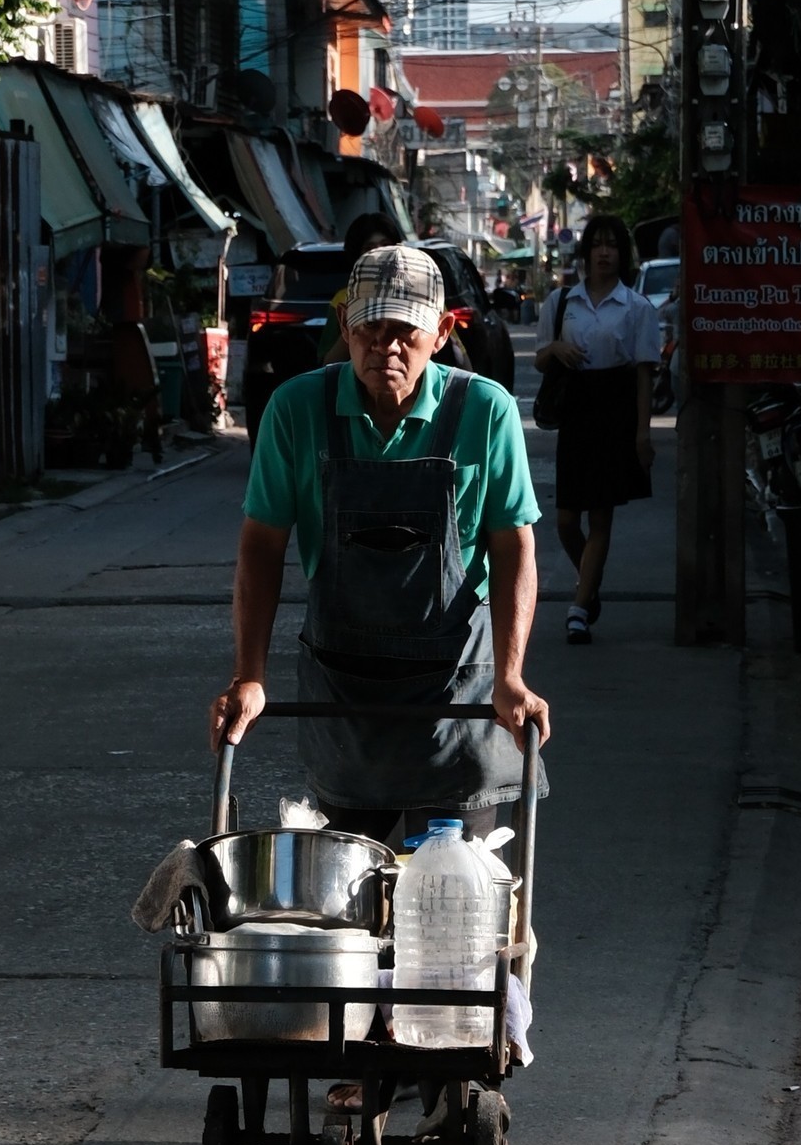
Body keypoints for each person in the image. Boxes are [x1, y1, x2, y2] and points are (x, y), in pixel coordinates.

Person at [210, 243, 550, 850]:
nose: (383, 347)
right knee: (349, 906)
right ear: (344, 326)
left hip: (457, 698)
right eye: (368, 328)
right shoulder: (297, 409)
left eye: (403, 331)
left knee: (452, 904)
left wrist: (511, 676)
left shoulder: (484, 410)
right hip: (346, 700)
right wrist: (249, 676)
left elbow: (513, 548)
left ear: (442, 332)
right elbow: (261, 545)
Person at [532, 213, 660, 646]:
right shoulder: (562, 300)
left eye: (613, 245)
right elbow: (538, 358)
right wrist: (556, 348)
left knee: (601, 514)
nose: (605, 253)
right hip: (577, 410)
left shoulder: (637, 307)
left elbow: (644, 374)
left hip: (616, 410)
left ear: (623, 255)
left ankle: (579, 608)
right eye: (598, 245)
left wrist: (642, 434)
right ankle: (589, 586)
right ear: (586, 252)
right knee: (567, 518)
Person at [322, 210, 404, 364]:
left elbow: (459, 357)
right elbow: (328, 362)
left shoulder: (418, 294)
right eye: (369, 248)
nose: (379, 253)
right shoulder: (343, 299)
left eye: (386, 245)